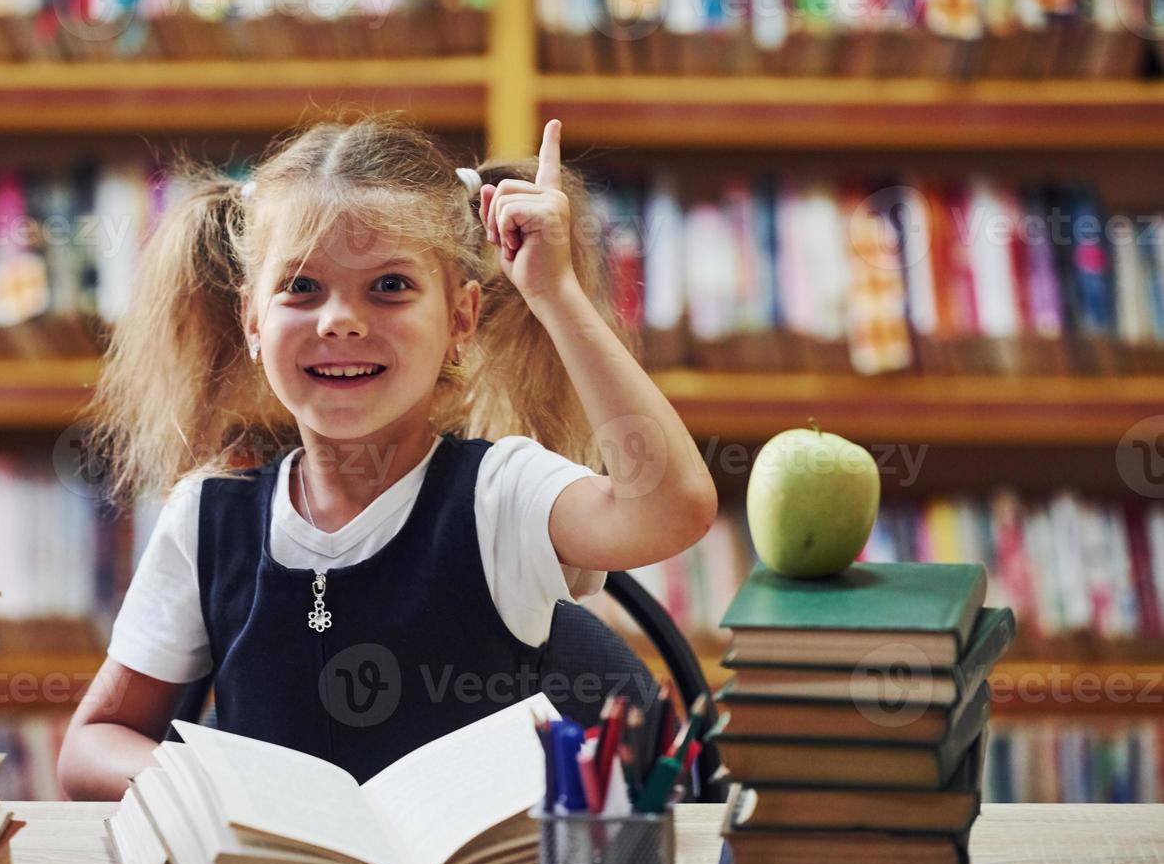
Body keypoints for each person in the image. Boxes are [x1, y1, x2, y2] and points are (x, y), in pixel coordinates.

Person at [57, 115, 716, 801]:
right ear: (253, 321)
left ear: (461, 320)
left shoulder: (503, 494)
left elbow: (674, 510)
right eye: (302, 287)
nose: (340, 320)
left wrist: (554, 294)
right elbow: (91, 745)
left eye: (391, 286)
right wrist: (216, 788)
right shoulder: (205, 519)